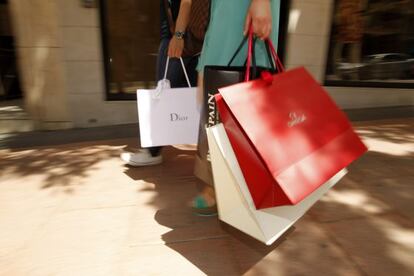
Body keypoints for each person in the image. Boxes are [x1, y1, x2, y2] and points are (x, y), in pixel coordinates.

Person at [191, 0, 281, 215]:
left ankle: (237, 186)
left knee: (244, 99)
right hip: (223, 19)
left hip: (245, 11)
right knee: (212, 100)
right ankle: (217, 183)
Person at [121, 0, 199, 166]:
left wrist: (178, 36)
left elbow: (187, 1)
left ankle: (152, 151)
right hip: (182, 35)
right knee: (191, 92)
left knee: (164, 91)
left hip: (181, 36)